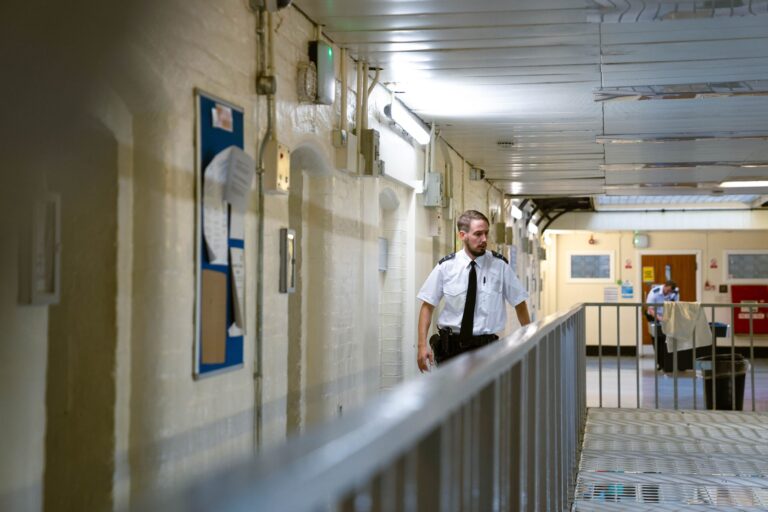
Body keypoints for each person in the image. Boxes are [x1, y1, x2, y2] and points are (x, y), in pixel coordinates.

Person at [416, 210, 531, 372]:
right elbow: (427, 306)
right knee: (455, 397)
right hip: (451, 351)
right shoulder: (446, 267)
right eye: (478, 234)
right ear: (462, 235)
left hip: (487, 350)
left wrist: (529, 338)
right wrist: (421, 346)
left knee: (486, 396)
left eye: (486, 233)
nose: (484, 239)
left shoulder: (500, 266)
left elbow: (520, 303)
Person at [645, 280, 679, 371]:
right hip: (654, 316)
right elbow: (650, 309)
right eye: (668, 290)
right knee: (657, 341)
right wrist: (659, 319)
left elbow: (675, 306)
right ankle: (659, 363)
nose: (668, 293)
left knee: (666, 340)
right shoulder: (654, 292)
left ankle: (666, 363)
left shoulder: (674, 293)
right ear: (665, 286)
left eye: (670, 291)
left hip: (666, 317)